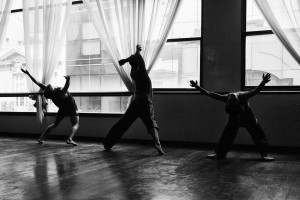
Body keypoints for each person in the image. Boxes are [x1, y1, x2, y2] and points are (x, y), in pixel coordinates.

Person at [190, 73, 274, 161]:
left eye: (233, 100)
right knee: (226, 137)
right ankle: (219, 154)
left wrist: (264, 81)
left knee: (259, 136)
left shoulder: (243, 96)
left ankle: (264, 155)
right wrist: (196, 86)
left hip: (248, 119)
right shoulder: (227, 98)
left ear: (238, 101)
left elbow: (255, 91)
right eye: (231, 100)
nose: (232, 96)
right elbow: (209, 94)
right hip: (234, 120)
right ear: (228, 101)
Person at [103, 45, 164, 155]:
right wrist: (135, 54)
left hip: (136, 102)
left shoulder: (134, 73)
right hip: (144, 102)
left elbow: (135, 59)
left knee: (123, 122)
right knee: (151, 123)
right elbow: (138, 59)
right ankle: (157, 144)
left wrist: (128, 59)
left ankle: (108, 143)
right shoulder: (142, 73)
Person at [21, 69, 79, 146]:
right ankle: (70, 139)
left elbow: (37, 82)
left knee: (55, 124)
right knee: (75, 124)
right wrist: (68, 79)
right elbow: (66, 86)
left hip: (62, 108)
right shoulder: (59, 91)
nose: (49, 85)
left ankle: (41, 138)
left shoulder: (52, 95)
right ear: (51, 90)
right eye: (49, 87)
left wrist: (28, 74)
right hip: (71, 107)